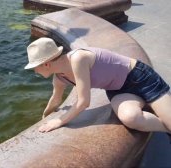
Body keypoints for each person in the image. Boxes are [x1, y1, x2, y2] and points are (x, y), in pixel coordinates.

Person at [24, 37, 171, 141]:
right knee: (130, 118)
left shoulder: (78, 58)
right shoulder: (59, 78)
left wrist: (59, 121)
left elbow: (83, 102)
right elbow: (56, 99)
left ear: (46, 64)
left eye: (35, 67)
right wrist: (44, 117)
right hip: (119, 90)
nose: (35, 71)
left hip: (141, 78)